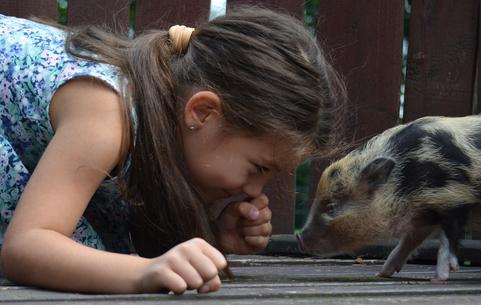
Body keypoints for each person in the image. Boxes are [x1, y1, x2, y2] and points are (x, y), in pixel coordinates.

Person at [0, 6, 346, 294]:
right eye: (258, 167)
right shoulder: (107, 111)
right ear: (202, 113)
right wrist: (144, 272)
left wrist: (213, 237)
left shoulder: (154, 115)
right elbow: (26, 247)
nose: (255, 190)